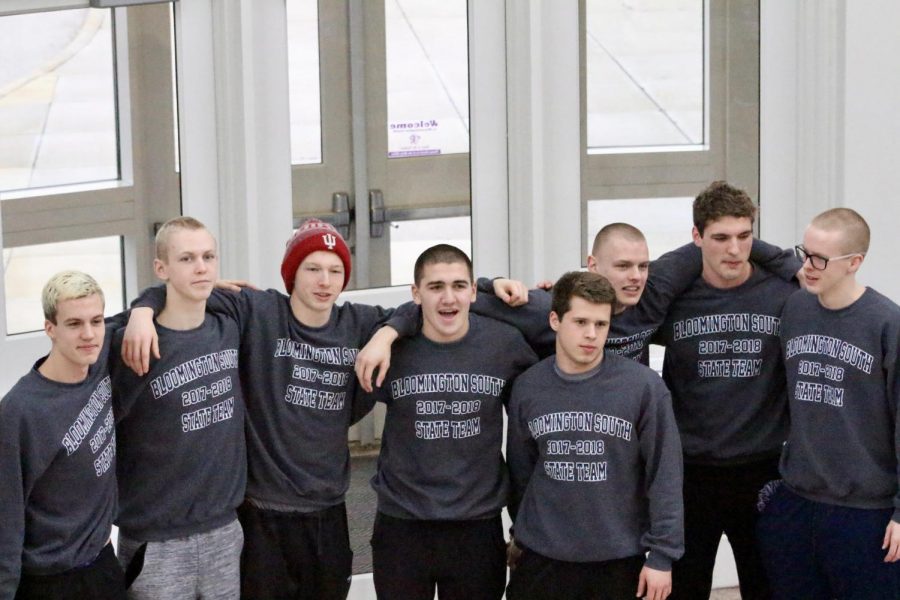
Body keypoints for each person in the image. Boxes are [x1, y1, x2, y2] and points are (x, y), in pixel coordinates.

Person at [121, 219, 416, 600]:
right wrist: (142, 312)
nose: (324, 281)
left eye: (335, 271)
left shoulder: (358, 322)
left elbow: (417, 309)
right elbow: (177, 290)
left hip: (327, 510)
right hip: (261, 513)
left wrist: (385, 335)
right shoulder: (257, 311)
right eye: (312, 268)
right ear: (292, 273)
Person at [362, 244, 537, 600]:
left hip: (476, 525)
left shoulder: (505, 344)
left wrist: (497, 284)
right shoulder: (392, 347)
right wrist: (388, 332)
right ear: (416, 294)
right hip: (403, 525)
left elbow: (557, 321)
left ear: (474, 291)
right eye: (435, 287)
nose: (448, 298)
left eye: (459, 286)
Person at [653, 181, 799, 600]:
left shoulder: (783, 294)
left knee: (767, 585)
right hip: (690, 471)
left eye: (743, 236)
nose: (734, 250)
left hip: (764, 469)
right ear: (697, 237)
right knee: (685, 587)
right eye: (720, 238)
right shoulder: (675, 297)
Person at [504, 271, 683, 600]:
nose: (591, 334)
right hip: (543, 557)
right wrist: (521, 534)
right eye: (581, 322)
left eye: (601, 325)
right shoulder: (528, 386)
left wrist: (662, 556)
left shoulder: (643, 387)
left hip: (618, 559)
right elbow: (521, 471)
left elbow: (665, 474)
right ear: (555, 320)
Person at [757, 208, 900, 598]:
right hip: (798, 503)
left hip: (866, 513)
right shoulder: (796, 309)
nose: (808, 266)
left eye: (821, 259)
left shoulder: (887, 324)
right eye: (805, 253)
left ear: (855, 262)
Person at [111, 217, 246, 599]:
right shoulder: (131, 343)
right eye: (186, 258)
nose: (201, 267)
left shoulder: (230, 322)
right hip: (156, 541)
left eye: (208, 256)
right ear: (161, 268)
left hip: (223, 530)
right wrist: (141, 311)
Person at [471, 222, 796, 363]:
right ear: (593, 265)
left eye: (642, 265)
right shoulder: (552, 306)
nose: (636, 277)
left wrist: (795, 268)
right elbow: (470, 298)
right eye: (624, 266)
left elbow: (719, 240)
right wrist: (492, 282)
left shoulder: (656, 285)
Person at [0, 271, 126, 600]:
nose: (89, 334)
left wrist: (143, 312)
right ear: (50, 329)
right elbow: (5, 518)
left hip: (102, 564)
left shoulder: (99, 359)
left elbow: (148, 308)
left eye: (96, 321)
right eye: (73, 324)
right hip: (49, 581)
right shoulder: (19, 412)